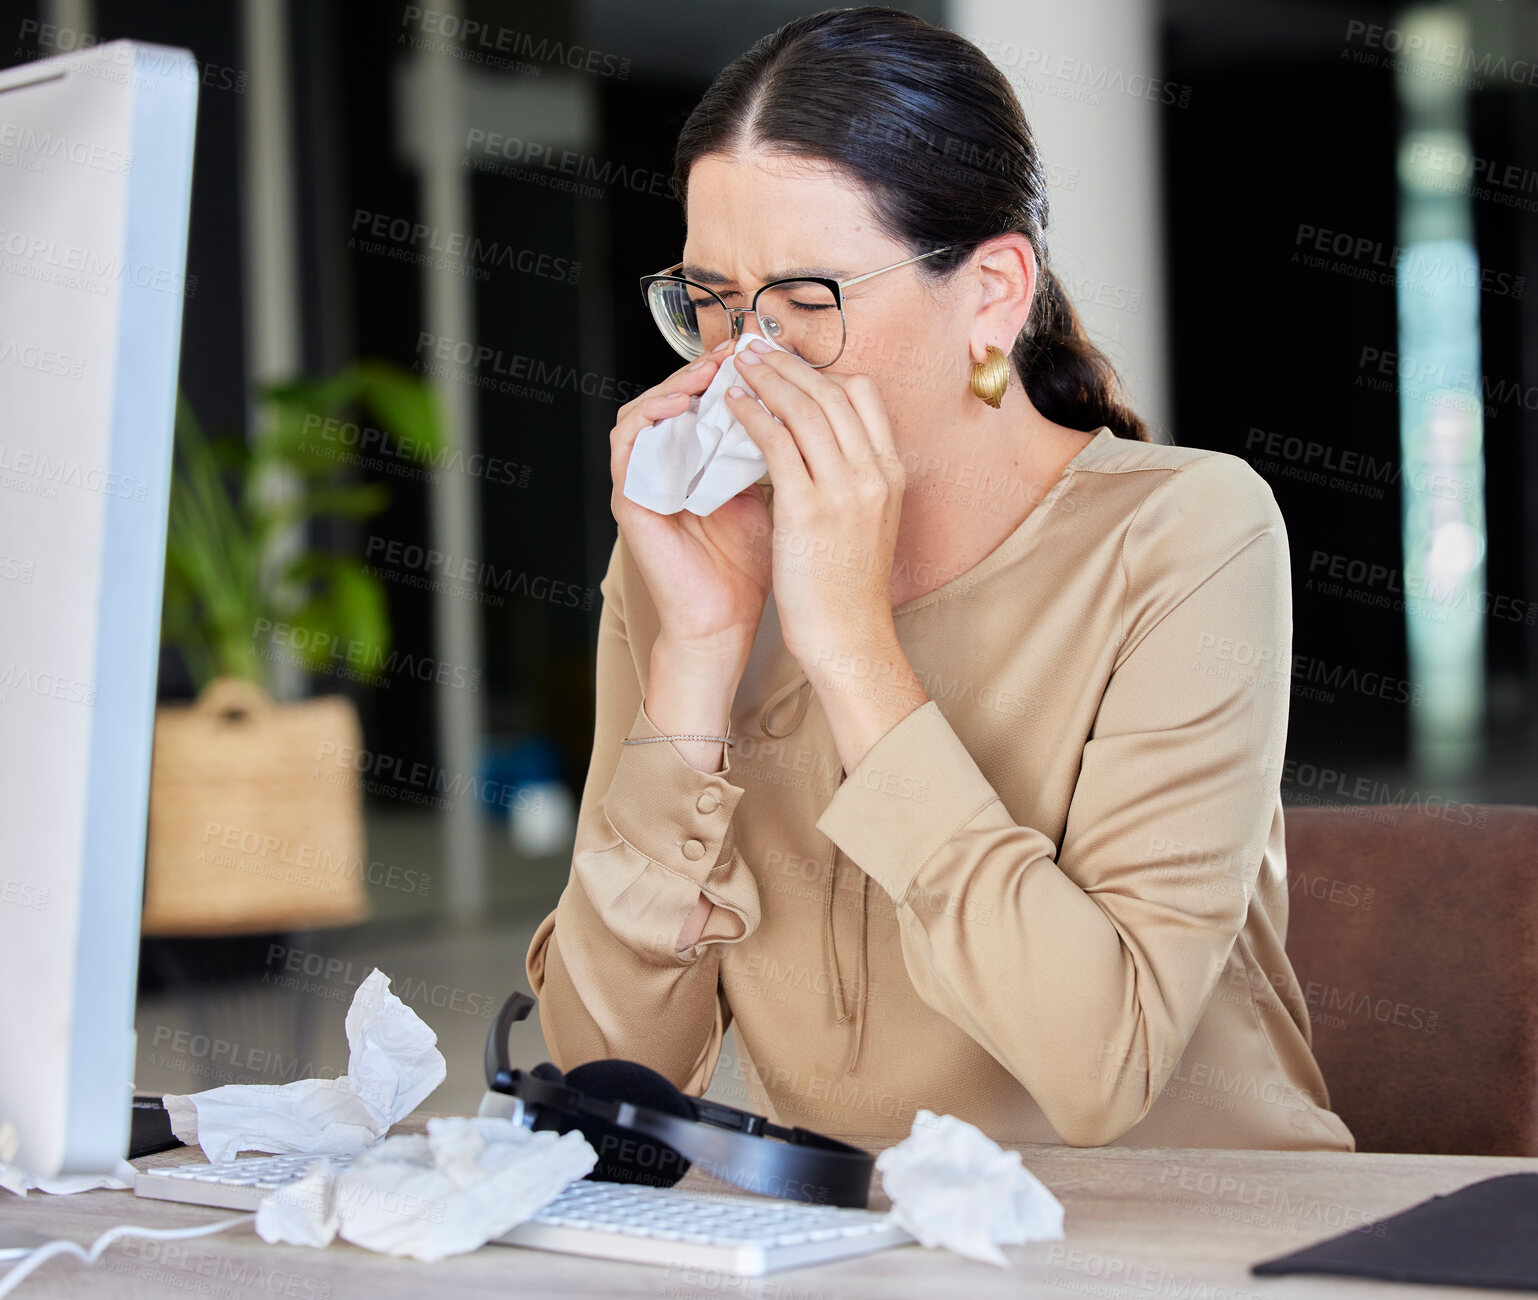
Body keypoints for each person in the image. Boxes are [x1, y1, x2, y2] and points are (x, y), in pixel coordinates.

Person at [527, 6, 1354, 1151]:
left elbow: (1098, 1070)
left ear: (994, 293)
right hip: (874, 1252)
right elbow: (609, 1084)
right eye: (713, 301)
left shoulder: (1187, 532)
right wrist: (697, 660)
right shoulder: (690, 561)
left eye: (806, 303)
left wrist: (851, 649)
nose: (740, 362)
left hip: (1191, 1249)